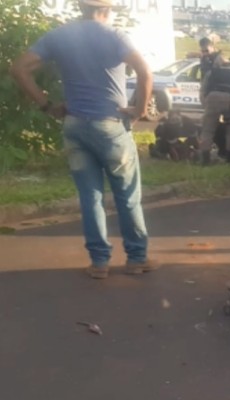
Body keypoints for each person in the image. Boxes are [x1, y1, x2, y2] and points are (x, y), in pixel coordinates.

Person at [10, 0, 159, 279]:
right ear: (107, 9)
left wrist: (47, 105)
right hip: (110, 126)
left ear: (81, 7)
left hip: (74, 126)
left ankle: (99, 262)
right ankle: (137, 258)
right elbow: (145, 72)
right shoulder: (114, 36)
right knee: (127, 195)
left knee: (90, 196)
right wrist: (139, 110)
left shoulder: (59, 35)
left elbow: (19, 69)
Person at [198, 55, 230, 164]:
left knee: (208, 130)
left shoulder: (211, 73)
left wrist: (206, 104)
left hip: (212, 99)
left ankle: (205, 159)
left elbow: (203, 90)